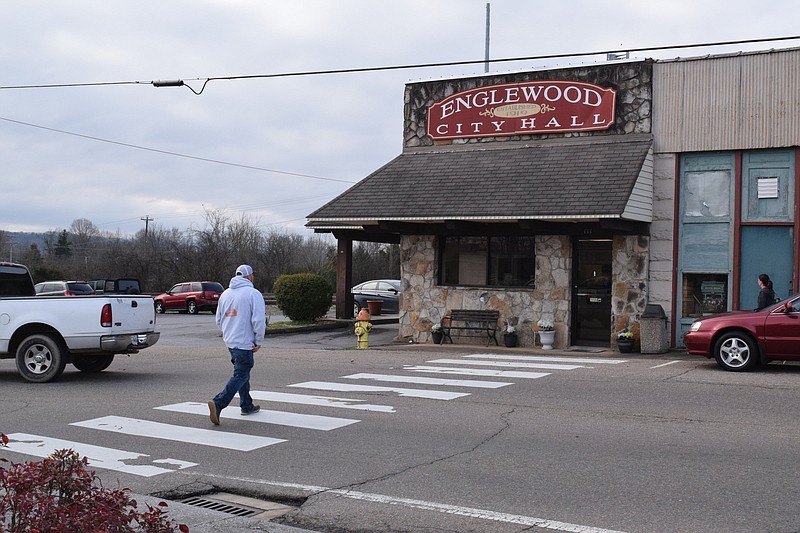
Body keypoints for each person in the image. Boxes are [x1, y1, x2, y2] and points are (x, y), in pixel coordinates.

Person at [208, 264, 266, 425]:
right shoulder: (253, 294)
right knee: (241, 374)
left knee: (242, 372)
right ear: (249, 277)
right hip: (245, 342)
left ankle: (246, 405)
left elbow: (219, 320)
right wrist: (258, 340)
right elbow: (259, 320)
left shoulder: (225, 294)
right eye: (252, 275)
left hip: (231, 342)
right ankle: (218, 402)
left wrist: (229, 332)